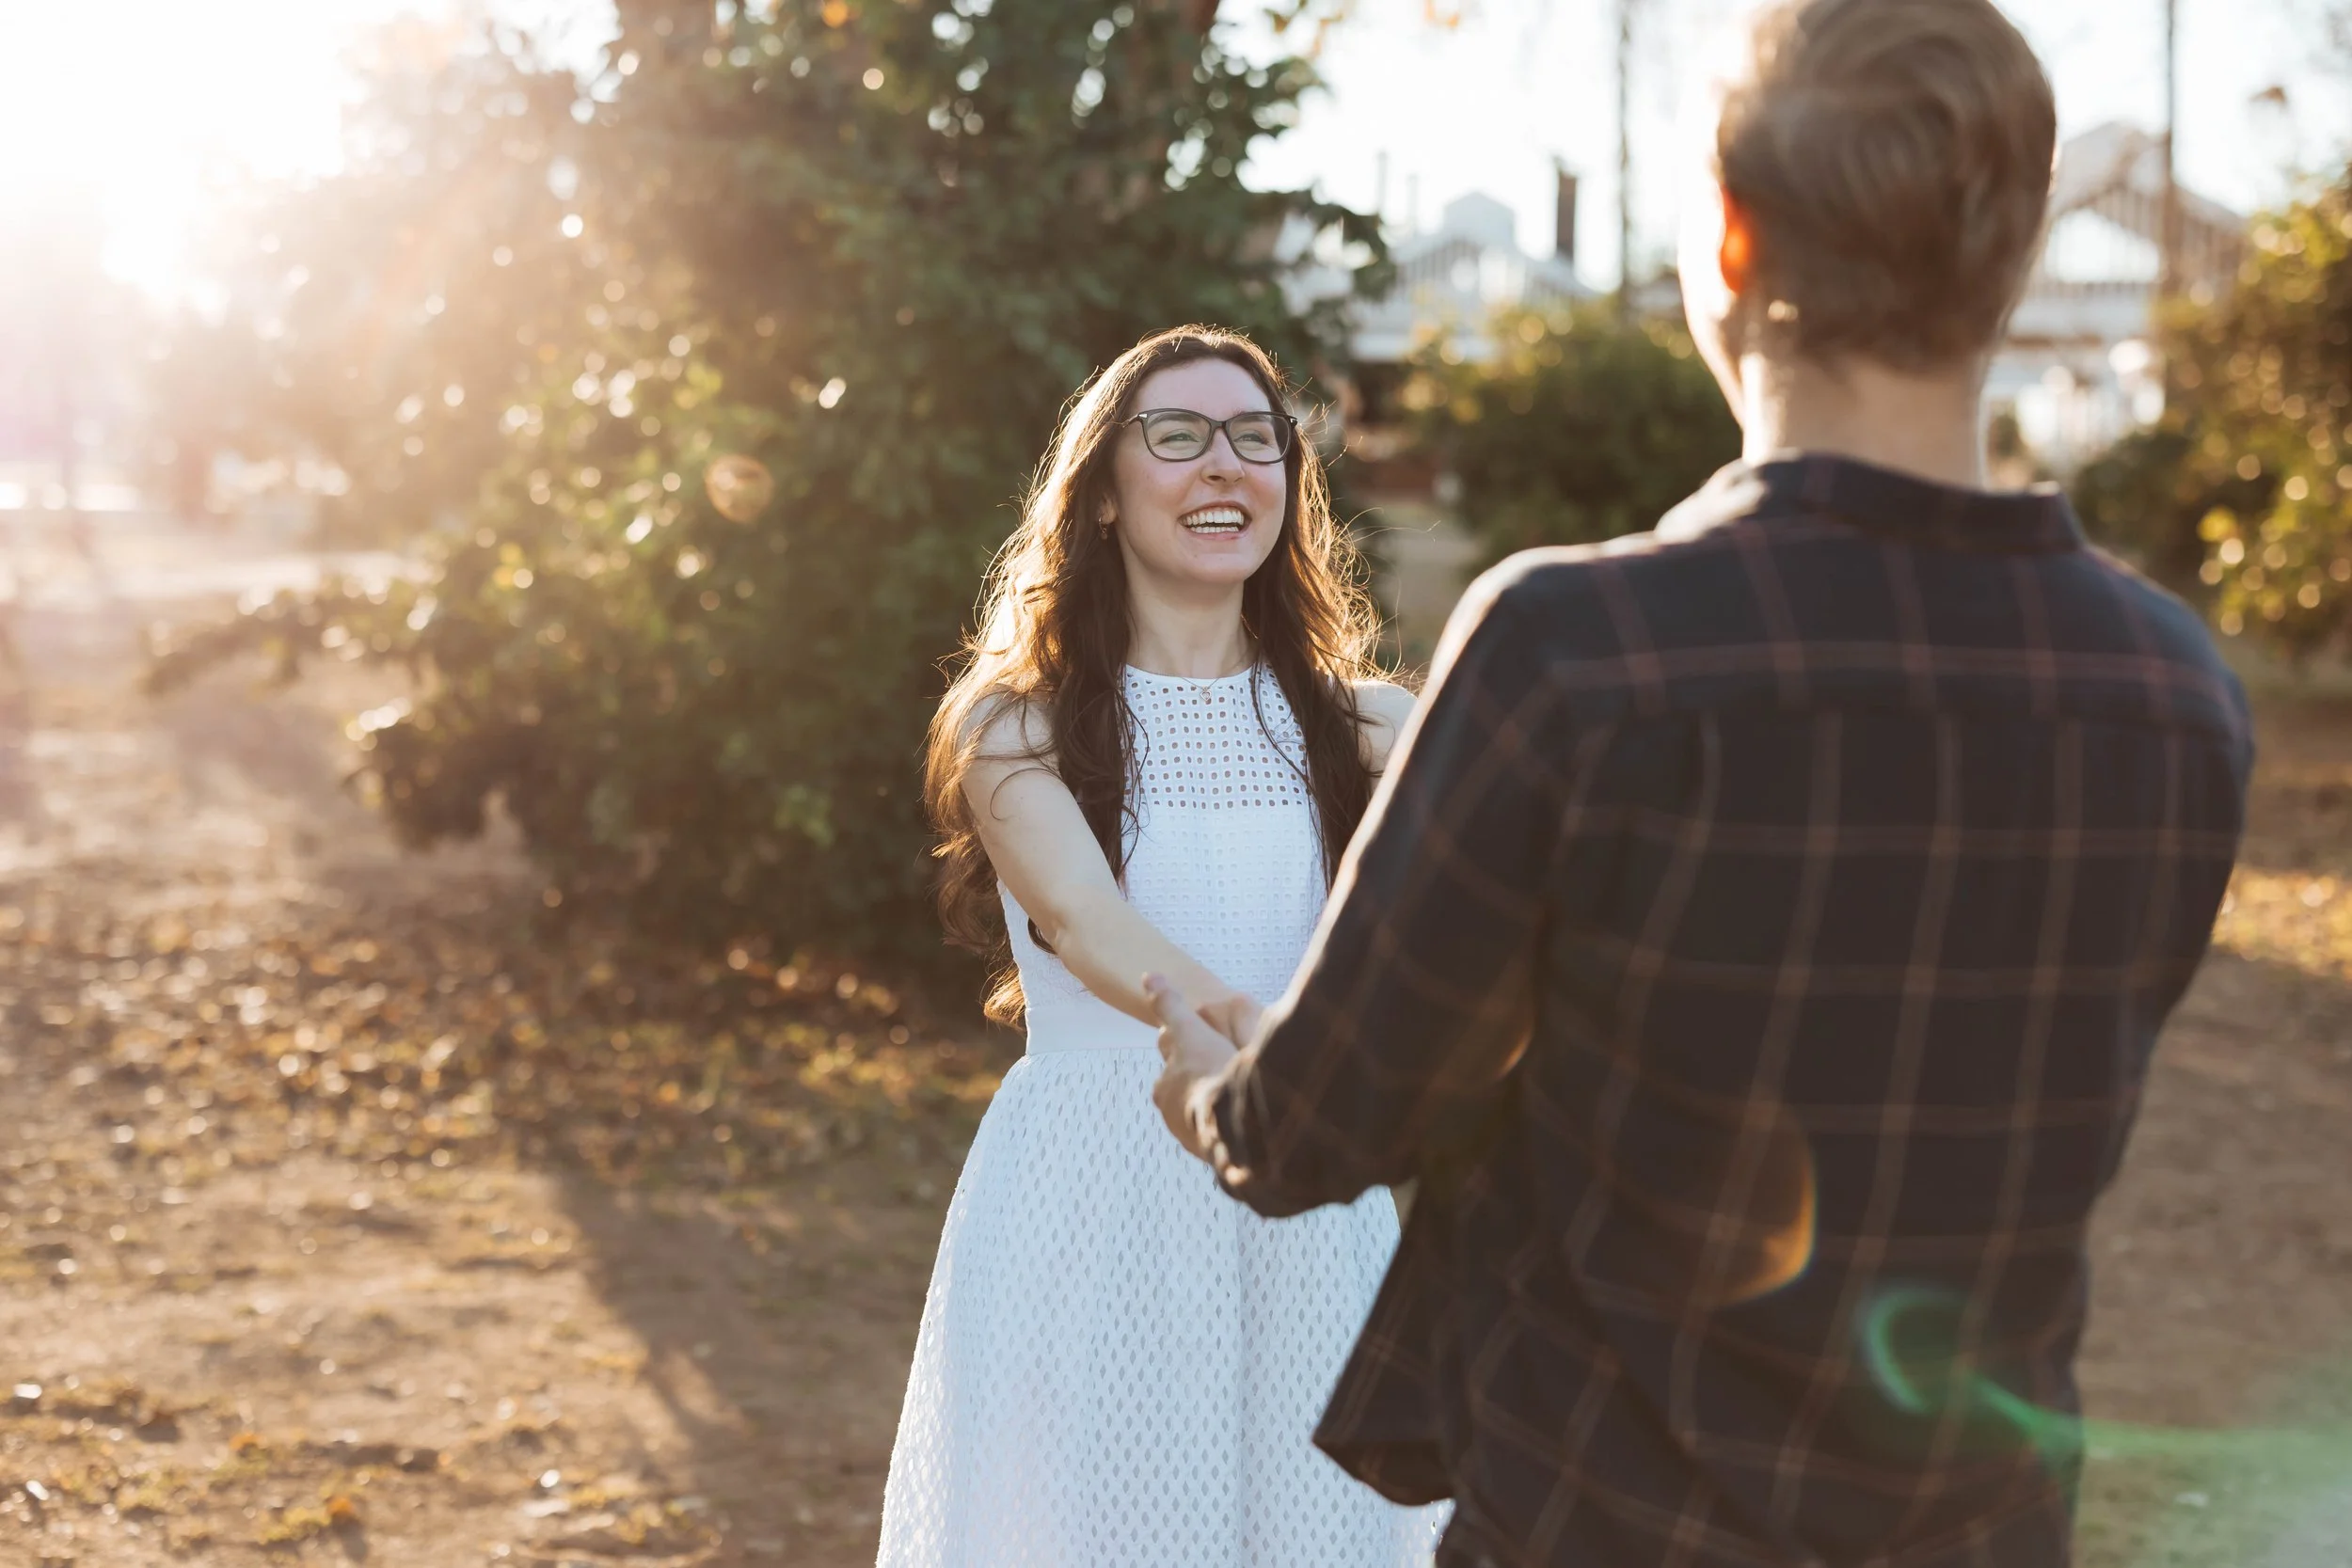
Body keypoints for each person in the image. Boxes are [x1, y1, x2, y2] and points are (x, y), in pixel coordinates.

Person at [1147, 4, 2254, 1566]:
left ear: (1730, 236)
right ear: (2007, 262)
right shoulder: (2175, 696)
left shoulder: (1579, 654)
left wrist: (1215, 1080)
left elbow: (1311, 1124)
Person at [877, 325, 1444, 1567]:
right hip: (1094, 1198)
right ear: (1100, 495)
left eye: (1257, 439)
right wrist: (1283, 1051)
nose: (1224, 467)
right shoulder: (1012, 723)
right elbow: (1088, 922)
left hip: (1306, 1203)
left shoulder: (1374, 727)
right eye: (1177, 437)